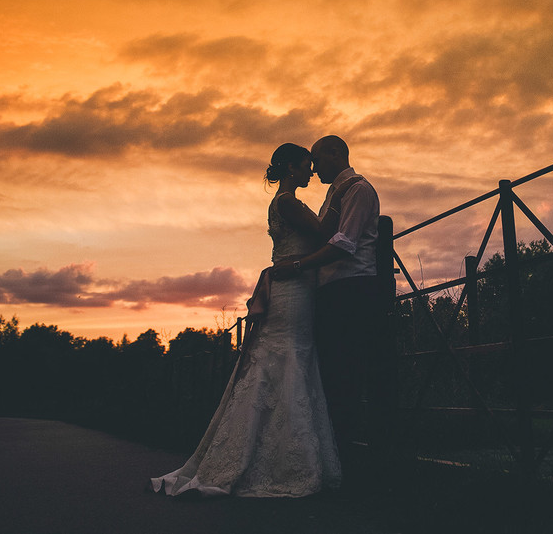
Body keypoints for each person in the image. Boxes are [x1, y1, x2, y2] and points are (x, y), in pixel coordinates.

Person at [151, 143, 341, 498]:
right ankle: (281, 461)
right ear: (289, 169)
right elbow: (322, 231)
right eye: (306, 165)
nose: (311, 172)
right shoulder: (287, 202)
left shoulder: (283, 203)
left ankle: (274, 451)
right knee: (288, 357)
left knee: (287, 357)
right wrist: (340, 193)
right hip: (292, 291)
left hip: (295, 287)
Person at [273, 135, 385, 479]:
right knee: (332, 376)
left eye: (317, 159)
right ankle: (333, 459)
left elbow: (344, 243)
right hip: (331, 291)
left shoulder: (356, 189)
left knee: (346, 376)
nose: (314, 166)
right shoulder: (333, 193)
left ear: (336, 153)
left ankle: (352, 464)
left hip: (351, 288)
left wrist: (297, 266)